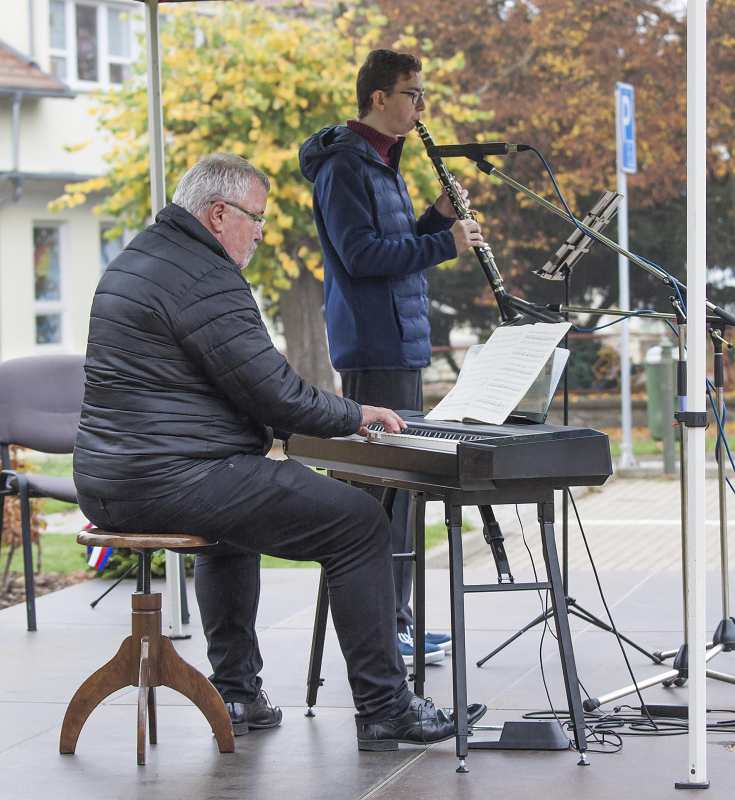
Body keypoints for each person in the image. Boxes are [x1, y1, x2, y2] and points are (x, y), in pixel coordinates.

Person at [73, 153, 486, 749]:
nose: (263, 232)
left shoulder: (139, 258)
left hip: (110, 481)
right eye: (256, 217)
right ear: (218, 214)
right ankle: (386, 707)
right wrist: (356, 414)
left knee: (233, 524)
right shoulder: (203, 276)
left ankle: (236, 692)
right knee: (360, 522)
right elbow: (274, 393)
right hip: (170, 478)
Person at [299, 49, 484, 665]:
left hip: (401, 341)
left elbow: (397, 242)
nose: (420, 106)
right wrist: (446, 244)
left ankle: (397, 621)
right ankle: (381, 631)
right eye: (412, 93)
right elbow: (362, 256)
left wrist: (437, 218)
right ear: (379, 97)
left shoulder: (384, 163)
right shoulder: (344, 166)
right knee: (377, 495)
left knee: (400, 494)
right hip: (373, 345)